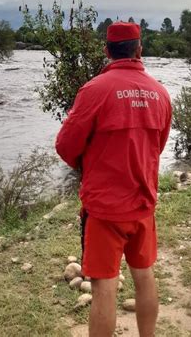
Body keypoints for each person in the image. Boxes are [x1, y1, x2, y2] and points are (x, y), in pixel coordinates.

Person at [55, 21, 172, 337]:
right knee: (144, 275)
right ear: (139, 49)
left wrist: (89, 165)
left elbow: (65, 146)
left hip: (105, 209)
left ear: (106, 51)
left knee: (104, 287)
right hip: (143, 204)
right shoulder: (161, 93)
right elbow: (157, 147)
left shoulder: (94, 90)